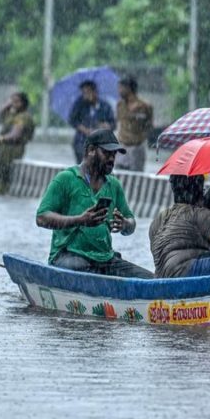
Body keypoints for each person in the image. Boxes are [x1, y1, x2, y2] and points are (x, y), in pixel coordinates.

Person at [36, 129, 153, 278]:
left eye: (114, 155)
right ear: (91, 150)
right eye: (107, 153)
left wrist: (125, 224)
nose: (112, 159)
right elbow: (41, 218)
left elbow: (131, 223)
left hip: (104, 259)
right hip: (68, 256)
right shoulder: (65, 179)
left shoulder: (113, 185)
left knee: (149, 279)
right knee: (90, 274)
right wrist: (80, 220)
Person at [0, 91, 35, 194]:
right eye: (12, 101)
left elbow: (15, 135)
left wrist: (1, 139)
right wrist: (8, 105)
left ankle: (0, 190)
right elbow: (2, 115)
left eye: (16, 102)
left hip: (12, 150)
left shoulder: (23, 117)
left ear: (23, 103)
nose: (13, 104)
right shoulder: (13, 115)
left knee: (1, 172)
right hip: (4, 149)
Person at [68, 79, 115, 164]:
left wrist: (106, 126)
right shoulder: (79, 104)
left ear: (95, 92)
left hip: (100, 145)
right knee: (83, 167)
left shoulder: (105, 106)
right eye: (83, 93)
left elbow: (112, 123)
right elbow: (73, 120)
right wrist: (85, 130)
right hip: (82, 143)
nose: (85, 95)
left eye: (87, 92)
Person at [113, 75, 153, 172]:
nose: (119, 91)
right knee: (119, 176)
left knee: (136, 178)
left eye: (121, 88)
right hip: (122, 146)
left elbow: (149, 126)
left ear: (128, 88)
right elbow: (117, 122)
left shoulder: (145, 106)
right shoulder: (120, 105)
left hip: (137, 148)